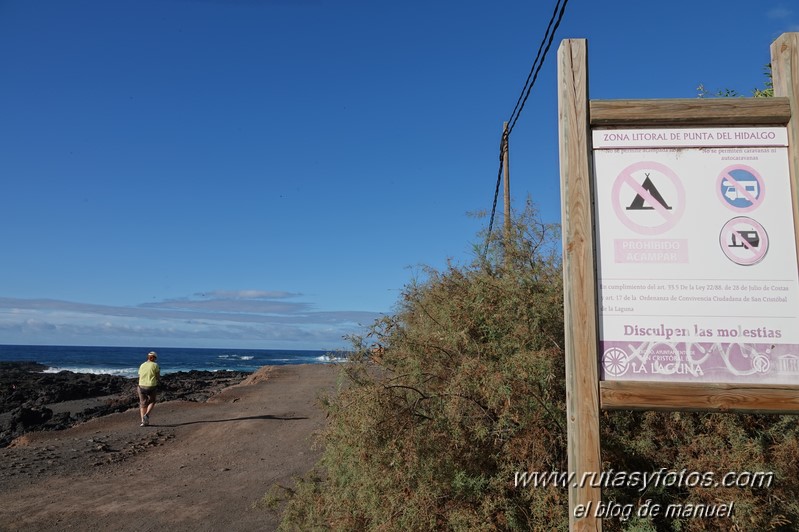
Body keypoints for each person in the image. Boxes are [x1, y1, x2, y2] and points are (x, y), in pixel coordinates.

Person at [137, 351, 161, 427]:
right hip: (151, 385)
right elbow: (157, 376)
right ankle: (146, 415)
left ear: (148, 357)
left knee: (142, 403)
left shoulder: (142, 365)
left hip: (141, 385)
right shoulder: (155, 365)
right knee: (152, 401)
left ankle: (143, 422)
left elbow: (140, 375)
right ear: (154, 358)